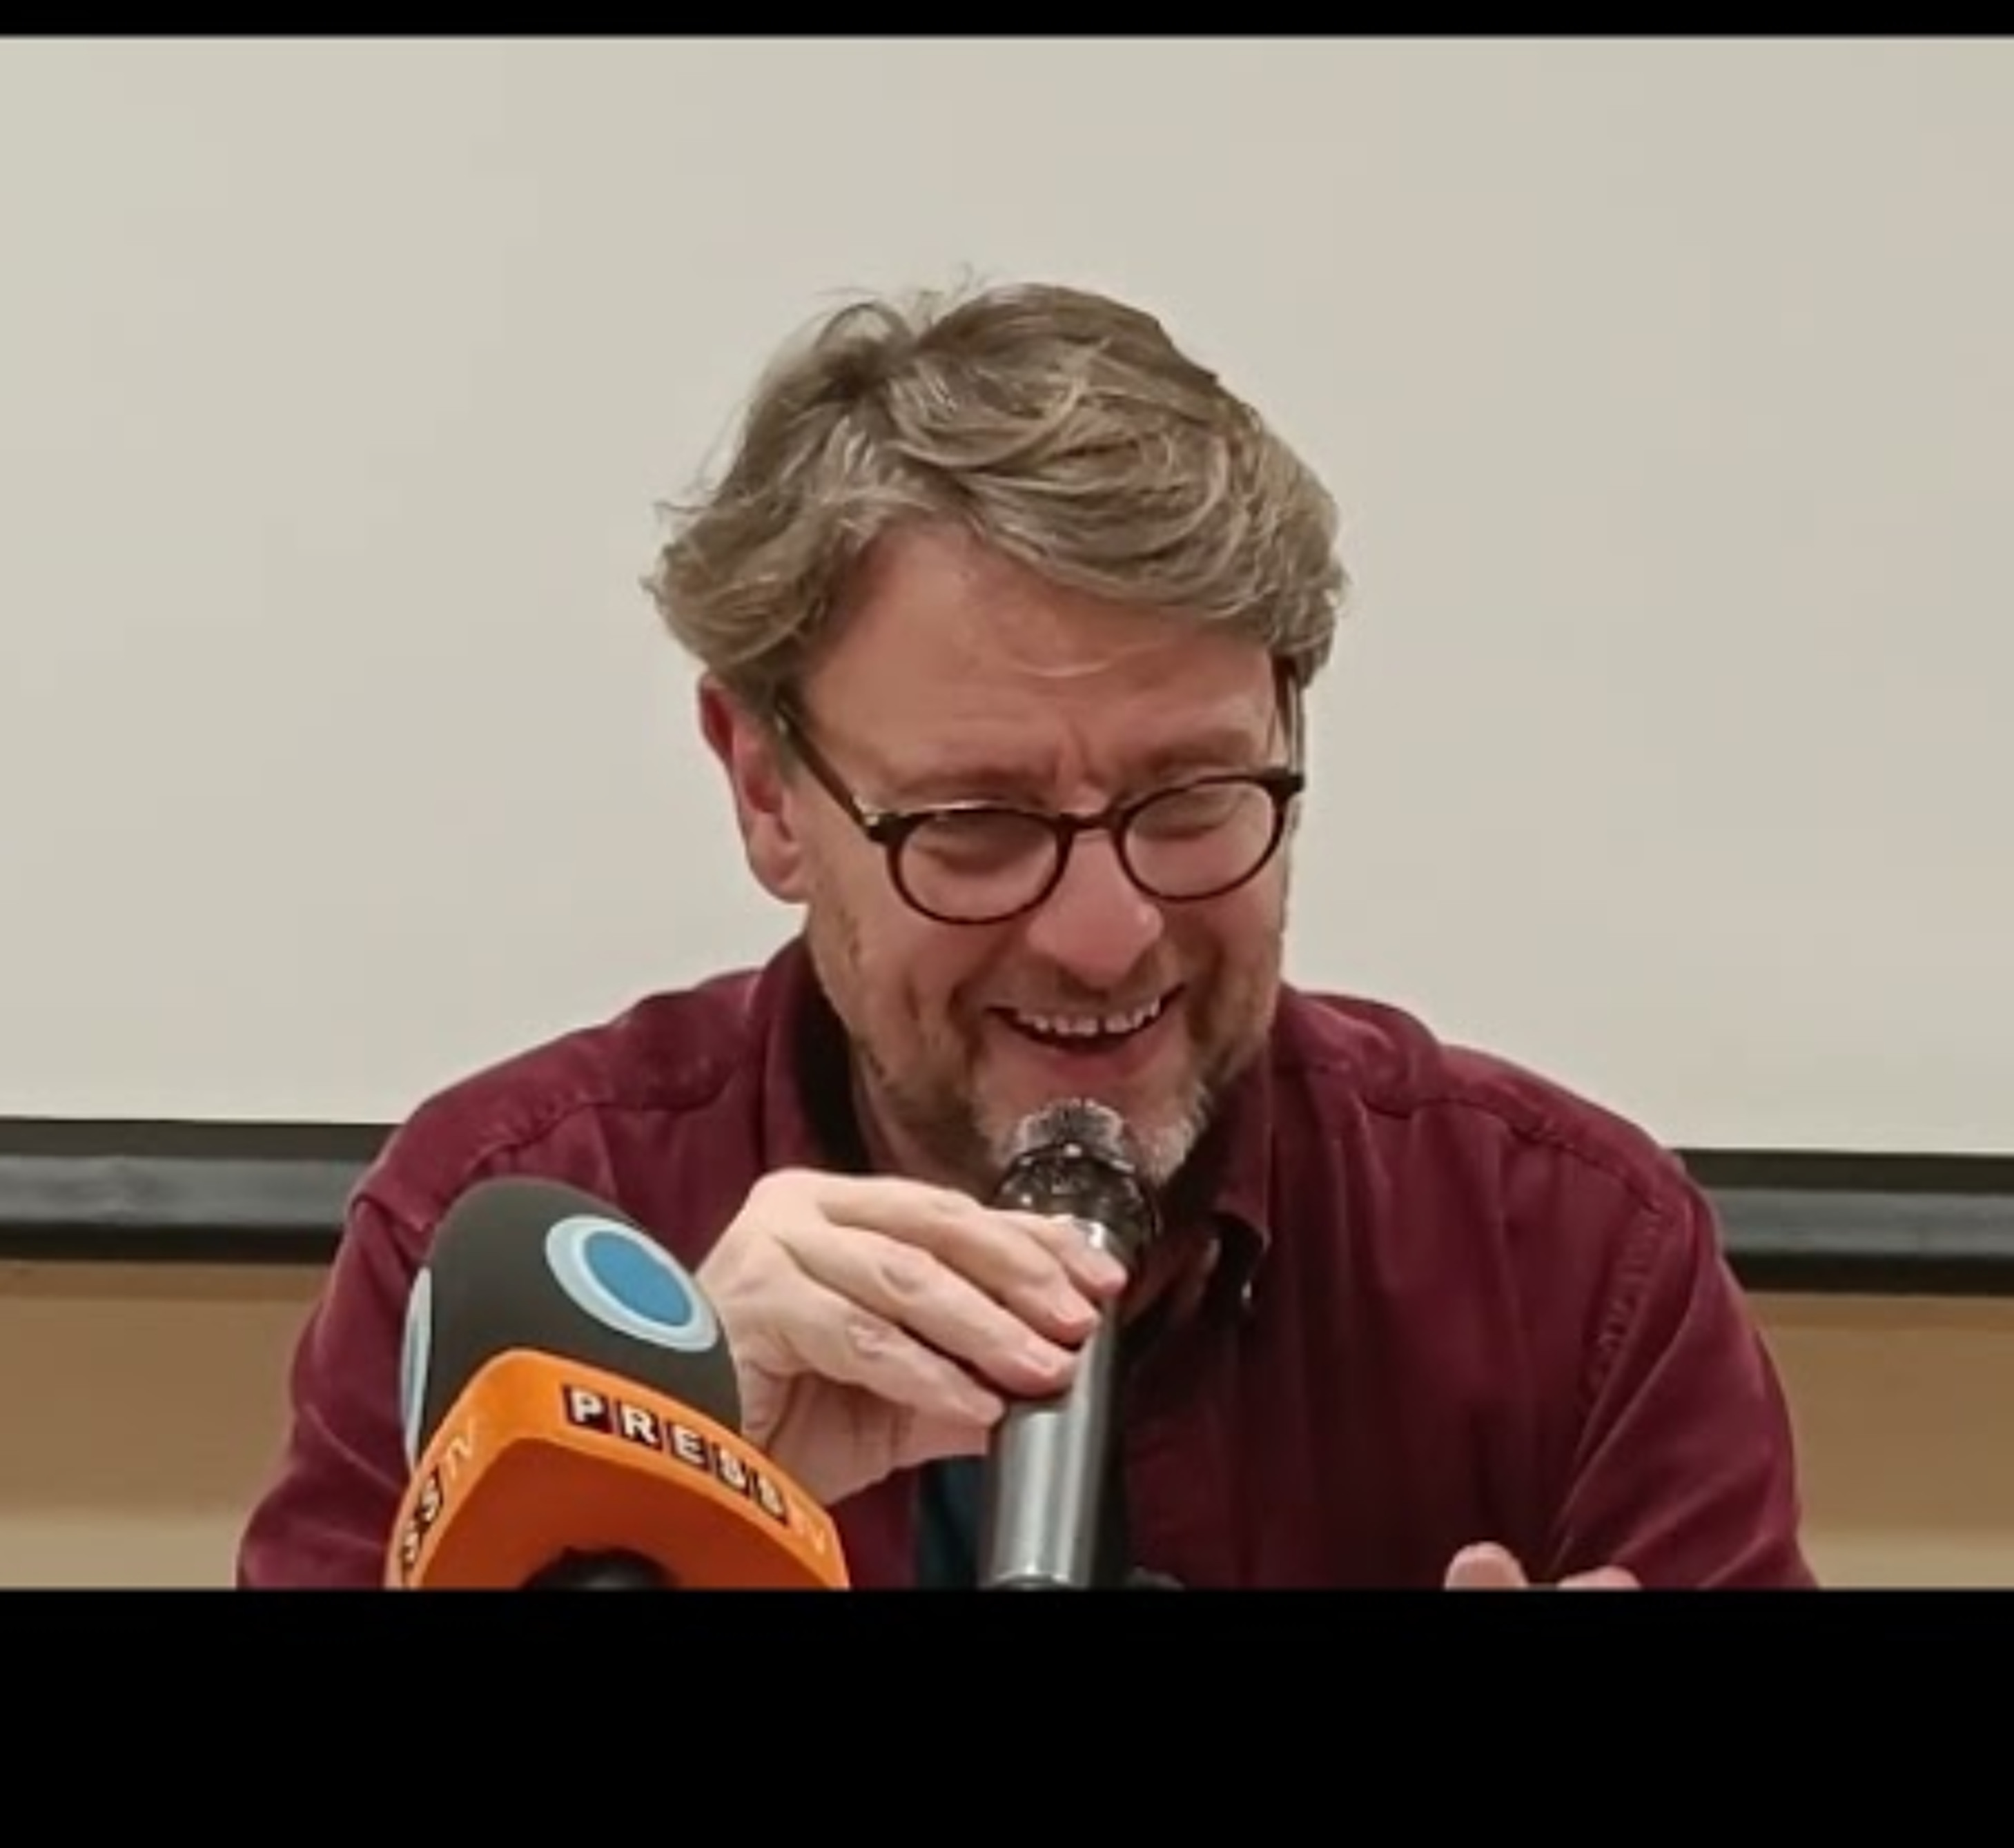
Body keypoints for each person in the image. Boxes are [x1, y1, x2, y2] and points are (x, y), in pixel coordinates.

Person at [235, 278, 1816, 1589]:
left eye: (1192, 800)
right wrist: (658, 1493)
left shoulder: (1565, 1256)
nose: (1107, 936)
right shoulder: (523, 1253)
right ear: (769, 790)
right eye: (978, 825)